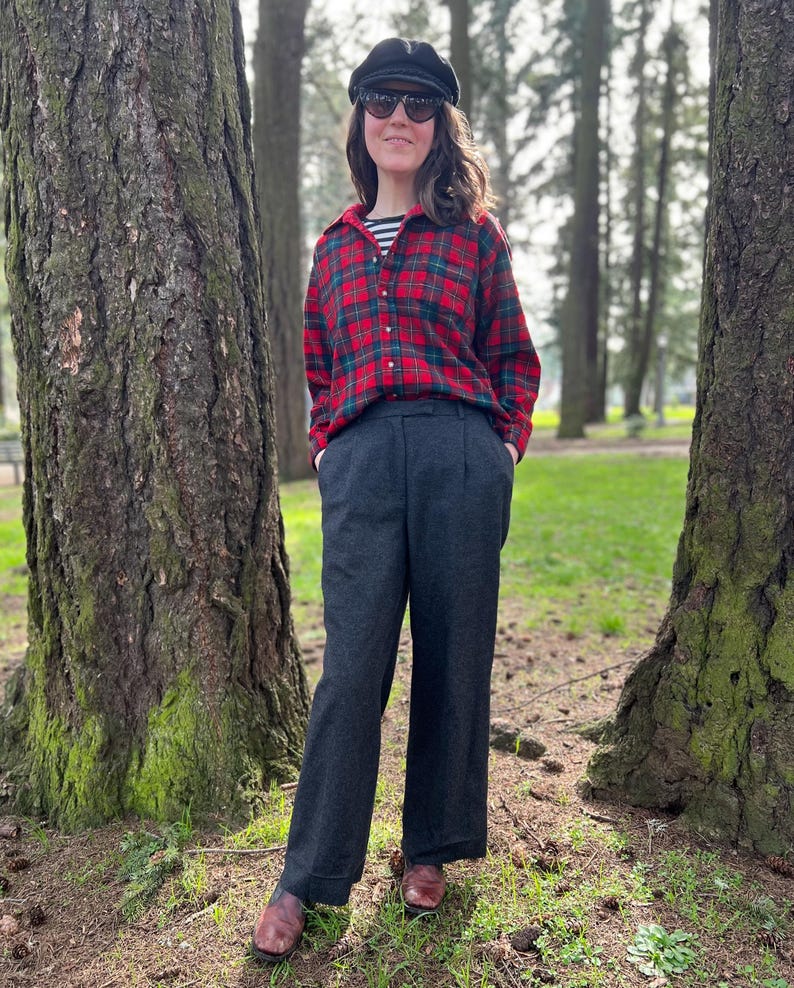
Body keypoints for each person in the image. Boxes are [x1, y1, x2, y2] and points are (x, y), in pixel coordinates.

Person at [251, 37, 541, 964]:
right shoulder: (333, 248)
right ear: (361, 121)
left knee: (455, 658)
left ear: (441, 127)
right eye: (383, 100)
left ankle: (432, 848)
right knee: (352, 671)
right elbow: (320, 370)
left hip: (461, 453)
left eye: (420, 105)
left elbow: (514, 361)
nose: (400, 119)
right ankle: (309, 872)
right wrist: (334, 452)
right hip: (366, 463)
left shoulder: (475, 238)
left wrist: (500, 450)